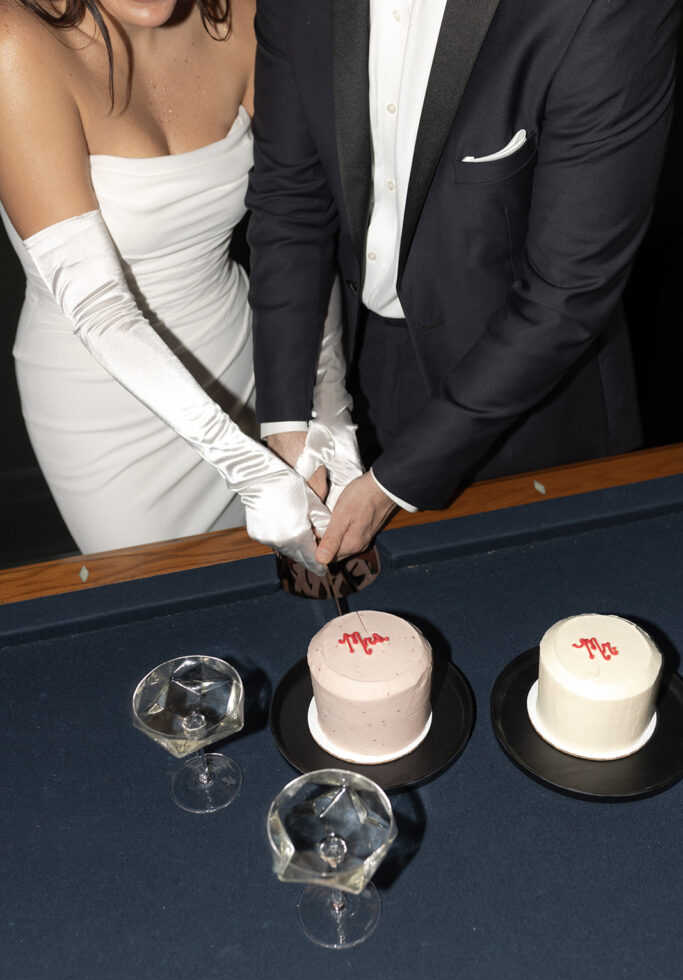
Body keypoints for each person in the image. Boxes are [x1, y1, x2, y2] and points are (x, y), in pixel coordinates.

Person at [245, 0, 680, 567]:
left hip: (536, 405)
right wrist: (285, 417)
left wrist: (391, 484)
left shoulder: (606, 10)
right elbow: (290, 200)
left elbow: (567, 292)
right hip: (365, 364)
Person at [0, 0, 360, 567]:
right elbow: (98, 306)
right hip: (105, 405)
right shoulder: (13, 42)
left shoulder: (243, 11)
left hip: (248, 357)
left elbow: (297, 219)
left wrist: (326, 397)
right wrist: (244, 465)